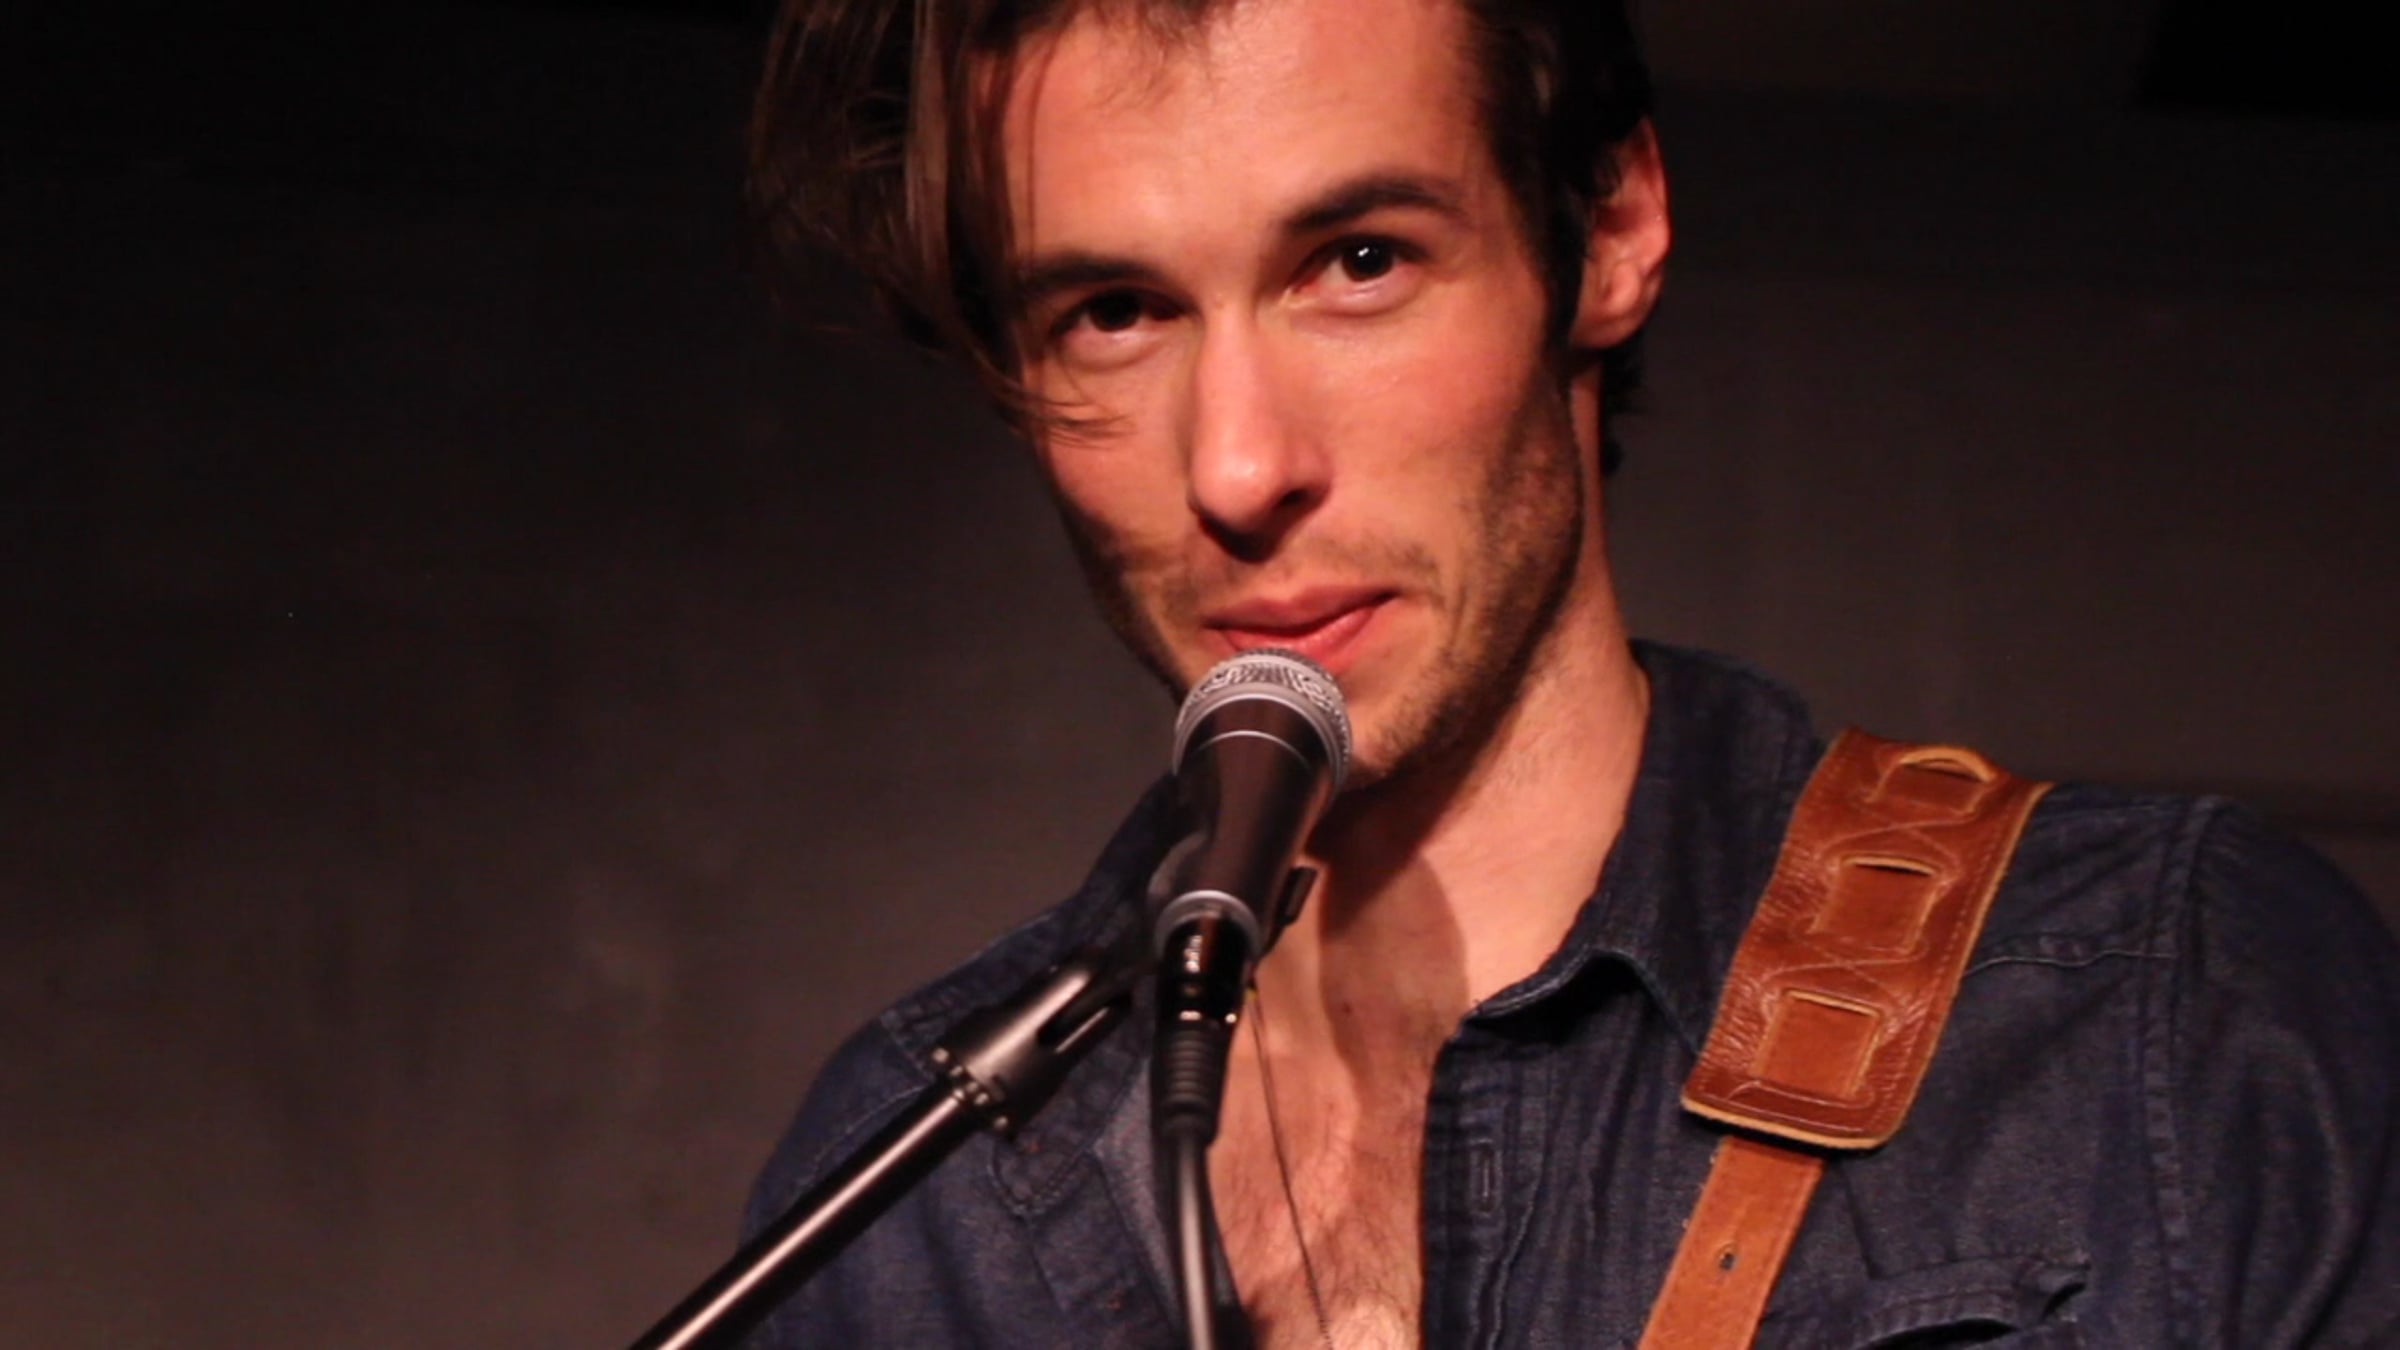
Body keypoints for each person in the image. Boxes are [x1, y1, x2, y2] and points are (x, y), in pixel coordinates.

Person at [736, 0, 2400, 1343]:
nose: (1238, 466)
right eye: (1114, 309)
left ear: (1609, 230)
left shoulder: (2165, 1008)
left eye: (1359, 260)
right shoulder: (907, 1193)